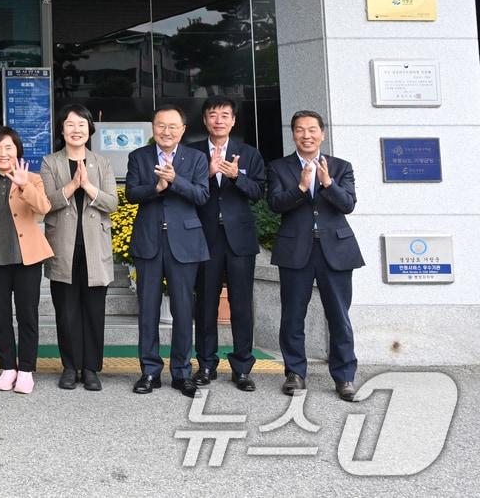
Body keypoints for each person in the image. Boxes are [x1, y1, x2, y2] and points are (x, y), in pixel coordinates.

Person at [268, 111, 363, 401]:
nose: (306, 135)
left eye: (312, 130)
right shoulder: (278, 167)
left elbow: (348, 205)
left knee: (339, 315)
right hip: (296, 249)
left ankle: (344, 377)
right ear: (293, 134)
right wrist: (299, 187)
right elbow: (275, 204)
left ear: (322, 134)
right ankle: (295, 373)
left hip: (335, 250)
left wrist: (327, 183)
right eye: (300, 130)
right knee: (293, 316)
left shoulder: (340, 166)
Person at [125, 105, 209, 397]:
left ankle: (182, 372)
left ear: (183, 130)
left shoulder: (197, 158)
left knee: (183, 310)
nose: (166, 131)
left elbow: (201, 195)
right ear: (153, 127)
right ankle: (149, 371)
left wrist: (175, 181)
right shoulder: (139, 157)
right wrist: (157, 187)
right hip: (149, 240)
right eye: (161, 125)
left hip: (184, 243)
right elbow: (132, 193)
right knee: (147, 309)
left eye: (173, 126)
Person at [187, 96, 266, 391]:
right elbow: (187, 191)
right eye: (213, 115)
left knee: (241, 304)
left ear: (233, 121)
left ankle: (242, 367)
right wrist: (207, 173)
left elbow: (258, 192)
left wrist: (235, 177)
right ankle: (206, 364)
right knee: (205, 302)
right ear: (205, 120)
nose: (218, 120)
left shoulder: (248, 154)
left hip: (239, 239)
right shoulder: (192, 153)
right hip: (204, 237)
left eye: (225, 115)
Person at [0, 126, 52, 393]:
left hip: (27, 259)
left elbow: (44, 209)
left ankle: (26, 370)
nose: (3, 153)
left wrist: (23, 184)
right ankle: (7, 368)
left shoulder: (33, 178)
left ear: (18, 151)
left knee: (28, 315)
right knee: (0, 315)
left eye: (9, 148)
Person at [40, 104, 118, 392]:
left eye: (81, 124)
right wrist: (73, 185)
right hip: (63, 246)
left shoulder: (103, 162)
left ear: (89, 130)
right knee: (67, 310)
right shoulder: (51, 162)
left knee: (94, 310)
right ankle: (70, 367)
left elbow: (112, 203)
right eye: (70, 124)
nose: (76, 130)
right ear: (62, 130)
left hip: (95, 248)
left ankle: (91, 368)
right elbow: (46, 202)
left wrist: (89, 187)